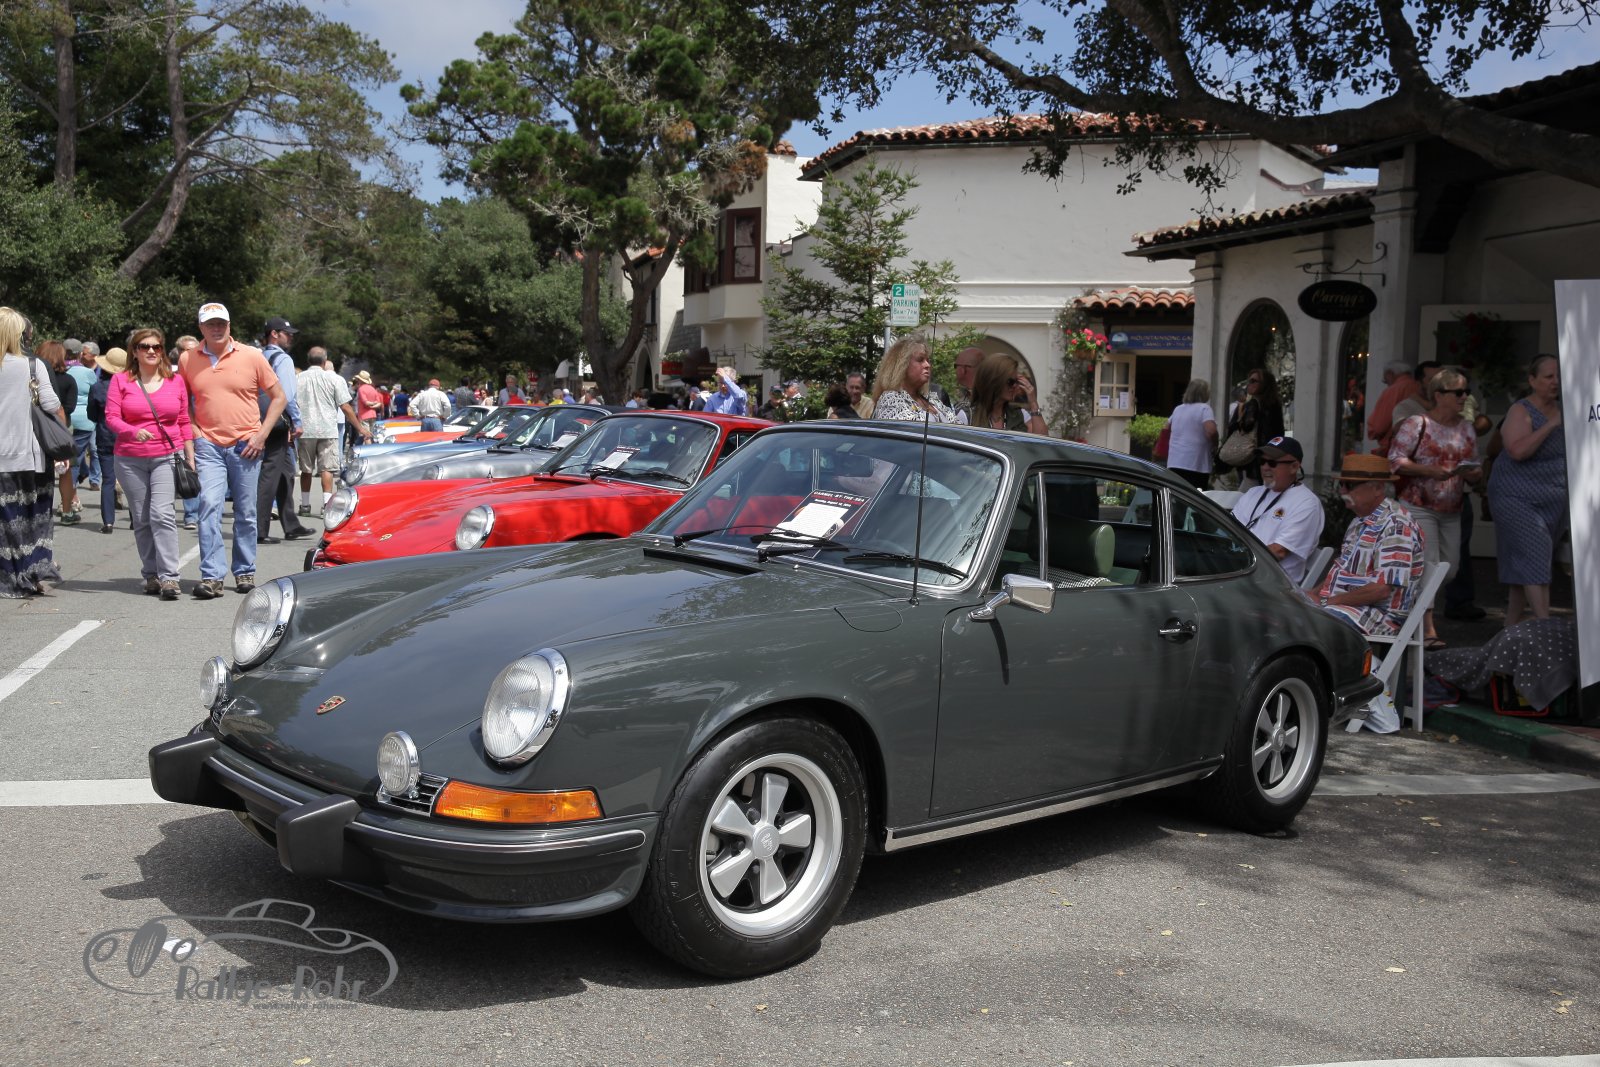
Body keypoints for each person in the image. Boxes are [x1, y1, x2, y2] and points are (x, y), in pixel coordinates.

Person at [179, 301, 287, 600]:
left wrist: (261, 435)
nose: (216, 328)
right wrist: (194, 431)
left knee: (246, 511)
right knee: (208, 506)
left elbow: (279, 397)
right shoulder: (188, 359)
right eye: (210, 324)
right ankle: (212, 576)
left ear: (229, 326)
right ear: (201, 328)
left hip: (246, 444)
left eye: (221, 323)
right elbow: (182, 400)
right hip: (208, 445)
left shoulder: (252, 356)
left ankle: (244, 570)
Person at [1388, 368, 1479, 649]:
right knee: (1429, 565)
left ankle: (1406, 609)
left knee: (1449, 569)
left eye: (1466, 391)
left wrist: (1473, 473)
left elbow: (1474, 464)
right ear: (1438, 395)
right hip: (1419, 505)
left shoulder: (1465, 427)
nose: (1465, 397)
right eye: (1458, 392)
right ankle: (1426, 629)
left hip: (1452, 508)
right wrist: (1429, 470)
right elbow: (1395, 460)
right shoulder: (1417, 423)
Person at [106, 329, 193, 600]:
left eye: (156, 346)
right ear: (135, 351)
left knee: (162, 514)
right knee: (142, 518)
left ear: (162, 350)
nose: (151, 351)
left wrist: (190, 455)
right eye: (145, 347)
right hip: (129, 458)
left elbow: (184, 420)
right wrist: (132, 431)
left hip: (166, 455)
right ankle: (151, 574)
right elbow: (111, 417)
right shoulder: (121, 380)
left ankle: (170, 578)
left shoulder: (175, 381)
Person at [1487, 354, 1566, 628]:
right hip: (1516, 496)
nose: (1556, 381)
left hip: (1552, 498)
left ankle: (1509, 632)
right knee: (1535, 558)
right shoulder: (1521, 410)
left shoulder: (1568, 409)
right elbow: (1518, 451)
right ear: (1532, 380)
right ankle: (1546, 628)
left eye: (1559, 375)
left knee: (1523, 565)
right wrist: (1552, 424)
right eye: (1549, 376)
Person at [1313, 453, 1425, 638]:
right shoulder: (1360, 520)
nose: (1342, 491)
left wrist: (1326, 602)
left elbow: (1380, 590)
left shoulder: (1396, 526)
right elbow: (1341, 570)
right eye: (1341, 484)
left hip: (1379, 616)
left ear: (1378, 488)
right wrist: (1313, 595)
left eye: (1349, 485)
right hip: (1348, 607)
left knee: (1308, 623)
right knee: (1287, 615)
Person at [0, 307, 65, 598]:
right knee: (33, 518)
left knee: (7, 522)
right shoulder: (32, 365)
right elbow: (51, 404)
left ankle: (11, 578)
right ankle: (33, 572)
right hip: (32, 456)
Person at [1230, 436, 1324, 585]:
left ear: (1294, 467)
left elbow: (1278, 552)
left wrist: (1232, 558)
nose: (1265, 467)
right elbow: (1228, 530)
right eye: (1262, 461)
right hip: (1240, 572)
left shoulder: (1307, 503)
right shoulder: (1254, 492)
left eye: (1272, 463)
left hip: (1271, 584)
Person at [255, 318, 313, 544]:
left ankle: (291, 524)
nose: (290, 337)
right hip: (278, 421)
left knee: (286, 471)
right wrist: (296, 421)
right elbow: (287, 395)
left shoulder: (260, 356)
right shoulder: (283, 359)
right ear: (274, 334)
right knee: (270, 473)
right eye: (286, 333)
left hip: (261, 418)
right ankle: (260, 529)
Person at [297, 348, 368, 515]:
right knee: (327, 469)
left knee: (306, 469)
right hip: (328, 429)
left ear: (308, 360)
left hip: (305, 429)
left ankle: (305, 505)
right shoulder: (335, 379)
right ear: (324, 361)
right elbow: (345, 407)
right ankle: (326, 505)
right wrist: (360, 428)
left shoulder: (298, 378)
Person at [85, 346, 129, 533]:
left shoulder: (97, 387)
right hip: (127, 435)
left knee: (108, 479)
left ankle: (108, 522)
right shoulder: (130, 386)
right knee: (131, 479)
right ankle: (135, 519)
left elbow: (92, 414)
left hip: (105, 434)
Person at [39, 341, 83, 525]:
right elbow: (70, 407)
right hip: (60, 427)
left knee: (39, 470)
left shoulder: (34, 377)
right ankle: (66, 511)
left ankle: (38, 510)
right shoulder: (68, 380)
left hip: (37, 428)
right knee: (65, 471)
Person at [871, 336, 958, 423]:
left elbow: (958, 425)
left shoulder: (932, 400)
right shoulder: (890, 398)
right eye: (920, 360)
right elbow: (905, 429)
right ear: (902, 365)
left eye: (928, 360)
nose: (927, 365)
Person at [1224, 367, 1284, 488]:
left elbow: (1246, 427)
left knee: (1252, 492)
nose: (1249, 384)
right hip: (1251, 459)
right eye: (1249, 381)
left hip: (1259, 459)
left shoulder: (1262, 406)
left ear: (1264, 384)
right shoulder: (1255, 405)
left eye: (1253, 381)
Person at [969, 353, 1047, 434]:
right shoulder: (968, 414)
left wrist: (1033, 403)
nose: (1015, 386)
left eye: (1017, 381)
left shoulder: (1020, 414)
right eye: (1011, 382)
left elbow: (1042, 440)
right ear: (994, 381)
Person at [1164, 378, 1218, 490]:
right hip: (1196, 464)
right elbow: (1211, 431)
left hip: (1175, 462)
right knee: (1195, 496)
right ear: (1204, 393)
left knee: (1177, 495)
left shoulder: (1178, 409)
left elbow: (1166, 427)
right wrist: (1215, 445)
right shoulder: (1204, 409)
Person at [65, 339, 100, 490]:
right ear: (79, 354)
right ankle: (71, 493)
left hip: (64, 418)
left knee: (72, 452)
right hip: (86, 419)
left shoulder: (58, 370)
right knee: (76, 456)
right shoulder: (88, 373)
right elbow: (96, 393)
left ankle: (84, 474)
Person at [1366, 360, 1422, 453]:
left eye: (1385, 379)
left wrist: (1372, 431)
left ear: (1390, 373)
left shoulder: (1393, 390)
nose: (1385, 382)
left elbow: (1378, 427)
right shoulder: (1419, 387)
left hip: (1395, 448)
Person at [949, 347, 984, 424]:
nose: (955, 370)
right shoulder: (992, 398)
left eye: (955, 366)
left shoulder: (955, 398)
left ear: (963, 369)